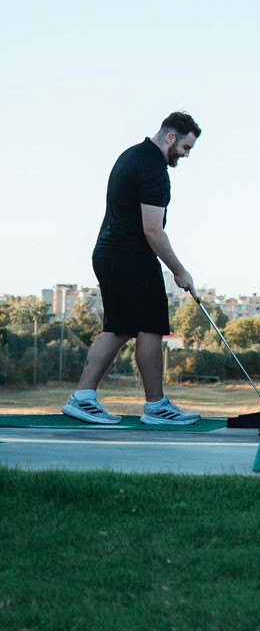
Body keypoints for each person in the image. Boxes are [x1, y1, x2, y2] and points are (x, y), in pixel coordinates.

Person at [62, 112, 203, 427]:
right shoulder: (154, 170)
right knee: (150, 325)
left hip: (108, 254)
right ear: (170, 137)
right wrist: (180, 271)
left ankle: (82, 398)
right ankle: (156, 407)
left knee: (120, 327)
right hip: (130, 256)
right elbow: (153, 231)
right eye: (185, 147)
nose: (185, 155)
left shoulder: (131, 155)